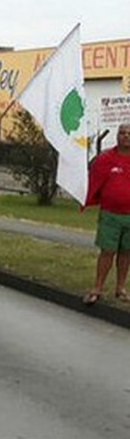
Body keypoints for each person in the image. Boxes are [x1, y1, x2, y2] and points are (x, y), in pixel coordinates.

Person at [83, 123, 130, 305]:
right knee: (107, 251)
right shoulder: (105, 159)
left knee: (126, 252)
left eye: (128, 133)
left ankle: (120, 288)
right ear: (117, 136)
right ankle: (98, 287)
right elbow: (93, 180)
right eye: (122, 133)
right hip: (110, 215)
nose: (125, 136)